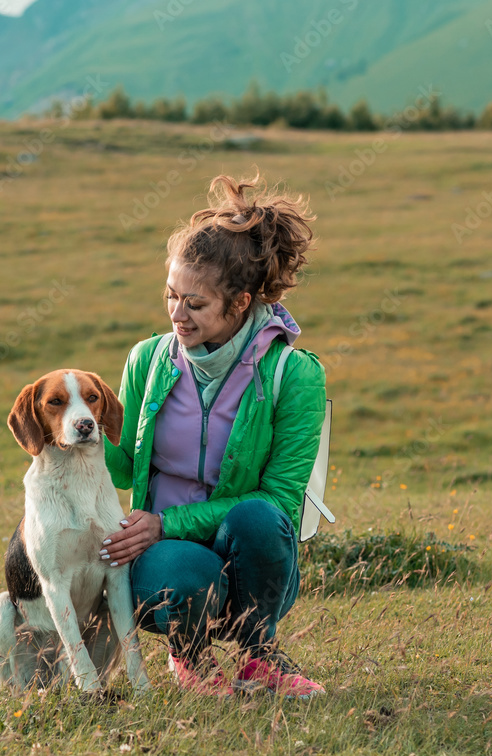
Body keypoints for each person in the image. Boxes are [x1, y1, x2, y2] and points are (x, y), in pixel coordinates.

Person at [101, 174, 326, 698]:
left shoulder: (294, 375)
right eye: (170, 296)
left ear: (241, 302)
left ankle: (259, 657)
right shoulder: (147, 359)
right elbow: (117, 465)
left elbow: (282, 503)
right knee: (184, 576)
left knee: (260, 518)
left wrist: (163, 522)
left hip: (252, 552)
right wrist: (77, 424)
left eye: (195, 304)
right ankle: (193, 659)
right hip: (170, 554)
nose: (177, 315)